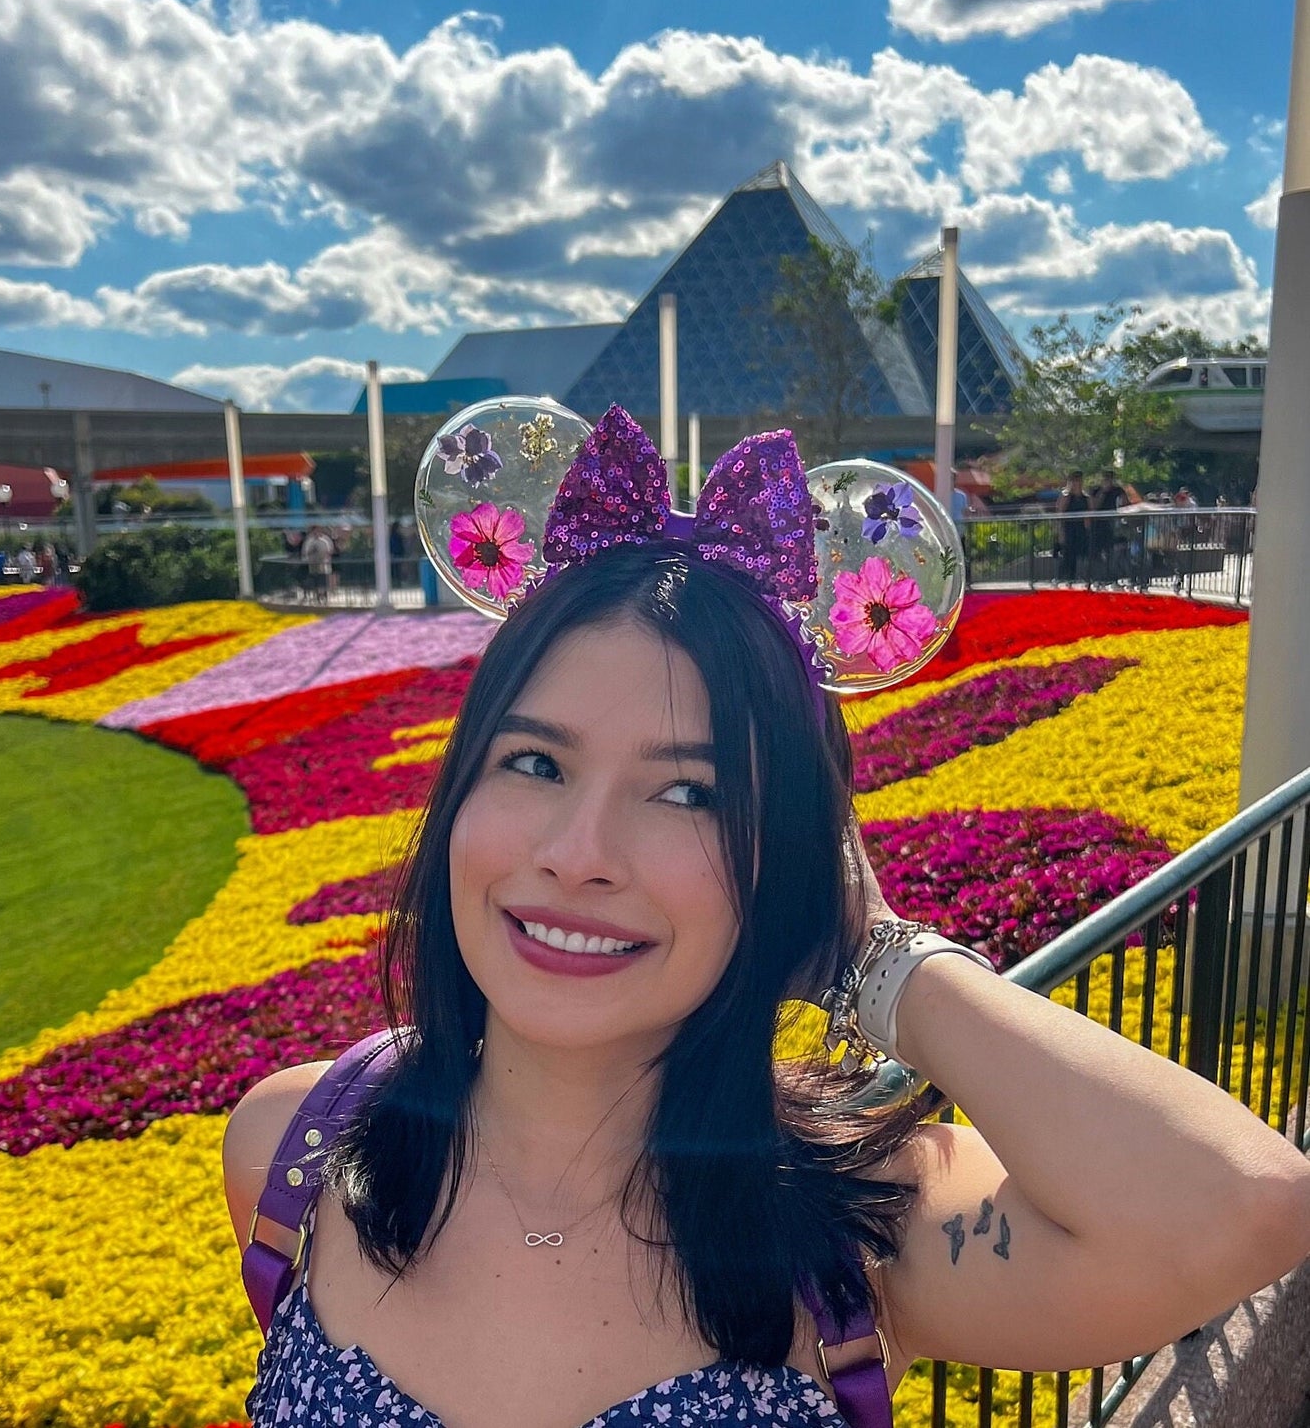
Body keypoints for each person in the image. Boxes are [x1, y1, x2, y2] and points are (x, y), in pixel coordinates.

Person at [224, 408, 1310, 1428]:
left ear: (783, 855)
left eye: (689, 791)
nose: (576, 853)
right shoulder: (298, 1153)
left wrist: (875, 957)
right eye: (535, 761)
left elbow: (1238, 1204)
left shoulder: (862, 1227)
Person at [1088, 468, 1127, 588]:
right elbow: (1094, 506)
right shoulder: (1095, 490)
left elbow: (1124, 503)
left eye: (1109, 478)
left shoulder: (1117, 490)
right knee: (1097, 553)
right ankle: (1097, 578)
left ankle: (1111, 576)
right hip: (1098, 525)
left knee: (1112, 552)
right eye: (1105, 478)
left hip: (1112, 525)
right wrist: (1103, 492)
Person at [1055, 470, 1089, 585]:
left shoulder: (1084, 497)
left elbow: (1088, 513)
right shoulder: (1066, 496)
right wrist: (1060, 533)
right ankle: (1061, 578)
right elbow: (1060, 514)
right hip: (1068, 529)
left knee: (1077, 554)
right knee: (1067, 554)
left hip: (1080, 529)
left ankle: (1073, 578)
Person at [302, 525, 334, 604]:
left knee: (323, 581)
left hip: (323, 564)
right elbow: (305, 552)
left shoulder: (325, 540)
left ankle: (324, 596)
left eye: (318, 530)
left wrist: (326, 557)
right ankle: (316, 597)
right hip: (313, 565)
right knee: (315, 580)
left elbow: (330, 551)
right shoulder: (309, 541)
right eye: (315, 530)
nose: (317, 532)